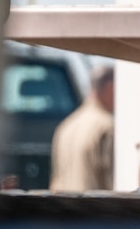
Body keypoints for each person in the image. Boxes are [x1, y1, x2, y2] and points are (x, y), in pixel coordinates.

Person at [48, 62, 114, 192]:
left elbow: (56, 181)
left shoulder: (66, 126)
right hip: (94, 209)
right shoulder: (106, 126)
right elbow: (111, 182)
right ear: (110, 88)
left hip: (65, 209)